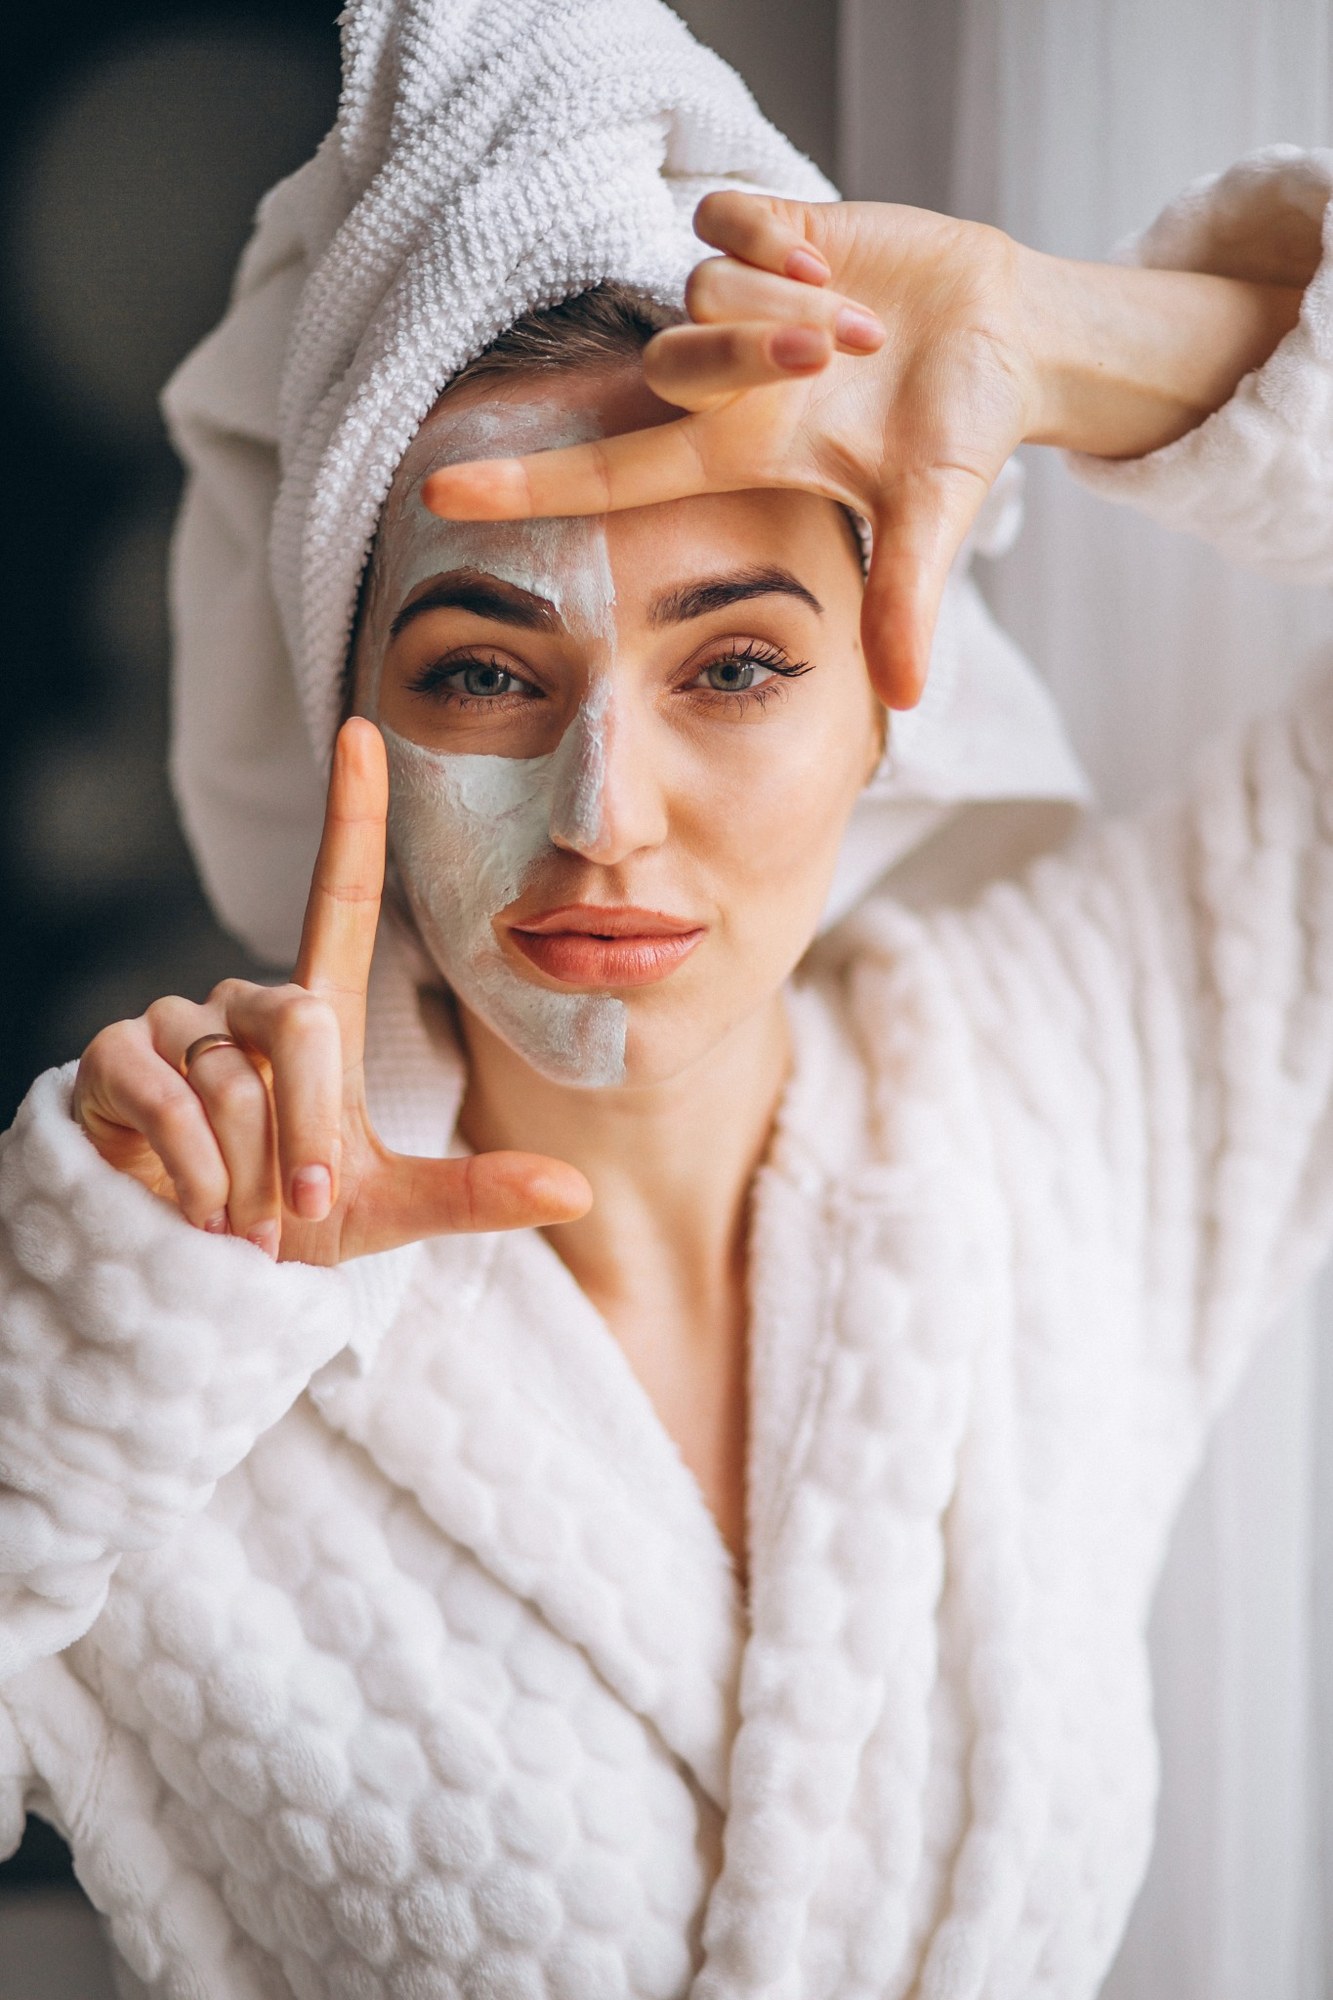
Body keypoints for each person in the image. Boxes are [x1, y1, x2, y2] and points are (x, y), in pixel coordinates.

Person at [1, 1, 1330, 1993]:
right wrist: (76, 1368)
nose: (603, 814)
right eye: (480, 671)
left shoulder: (1078, 1089)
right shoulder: (172, 1307)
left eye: (734, 666)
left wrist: (1047, 342)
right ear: (347, 712)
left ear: (889, 693)